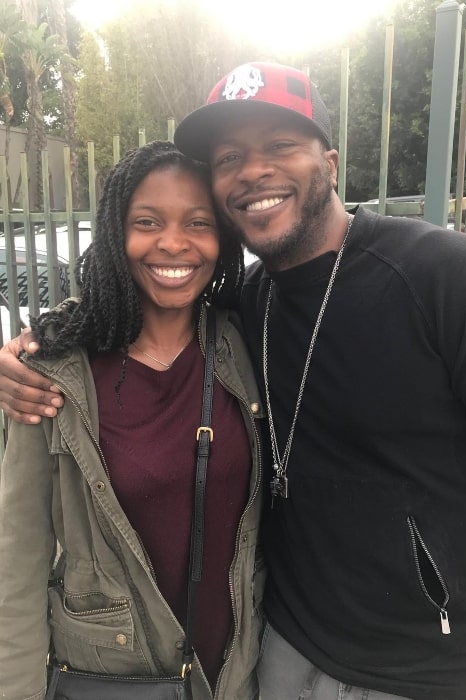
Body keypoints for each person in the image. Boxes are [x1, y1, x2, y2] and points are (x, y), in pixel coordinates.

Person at [2, 62, 466, 700]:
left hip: (431, 669)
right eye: (230, 155)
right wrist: (28, 350)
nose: (254, 171)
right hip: (276, 653)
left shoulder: (452, 278)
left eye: (281, 145)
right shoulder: (246, 308)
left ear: (331, 161)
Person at [0, 140, 266, 700]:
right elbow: (16, 560)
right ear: (115, 236)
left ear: (222, 238)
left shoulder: (247, 345)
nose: (174, 242)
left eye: (198, 222)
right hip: (112, 677)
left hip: (239, 674)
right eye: (147, 221)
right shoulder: (54, 373)